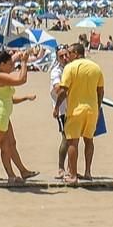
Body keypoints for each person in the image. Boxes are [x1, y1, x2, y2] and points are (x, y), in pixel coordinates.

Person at [0, 48, 40, 186]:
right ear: (2, 64)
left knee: (8, 145)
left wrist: (25, 97)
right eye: (9, 64)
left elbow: (8, 99)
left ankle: (12, 175)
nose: (12, 66)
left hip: (2, 115)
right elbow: (22, 79)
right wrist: (24, 62)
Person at [53, 49, 105, 185]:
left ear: (76, 53)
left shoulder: (70, 67)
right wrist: (98, 107)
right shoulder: (96, 67)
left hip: (76, 109)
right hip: (92, 109)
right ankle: (88, 172)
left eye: (70, 52)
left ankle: (73, 175)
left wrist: (57, 107)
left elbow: (63, 91)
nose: (68, 55)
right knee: (89, 140)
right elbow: (100, 91)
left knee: (72, 142)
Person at [50, 44, 81, 179]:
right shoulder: (56, 71)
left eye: (66, 55)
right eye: (61, 56)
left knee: (74, 140)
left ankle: (71, 168)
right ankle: (60, 168)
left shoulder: (72, 68)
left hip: (75, 108)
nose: (64, 57)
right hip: (62, 109)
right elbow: (58, 89)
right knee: (66, 138)